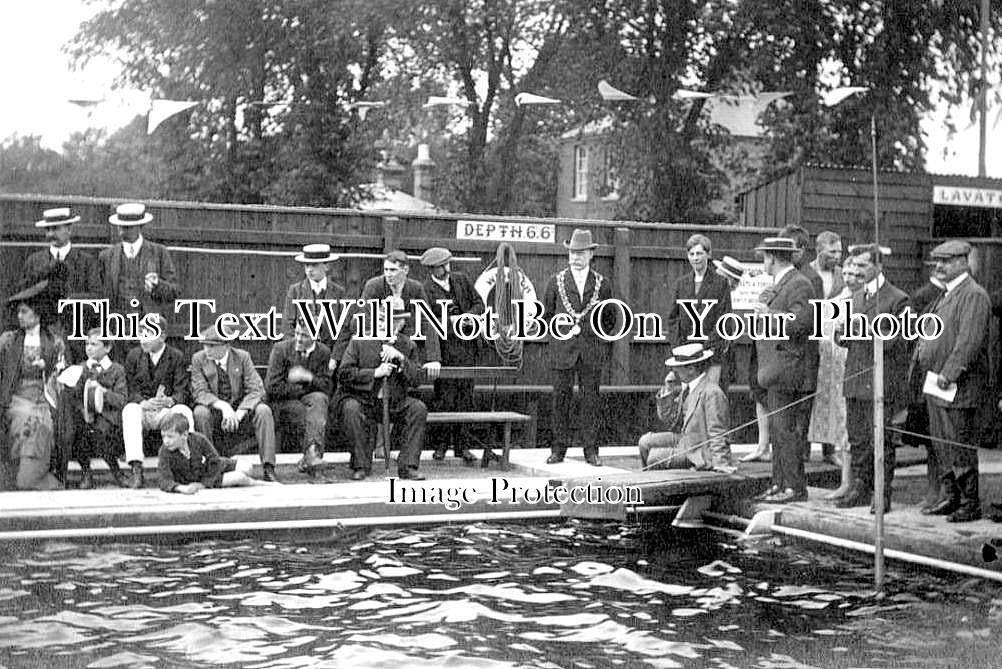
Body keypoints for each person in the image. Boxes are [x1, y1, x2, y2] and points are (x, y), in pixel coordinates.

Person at [914, 240, 991, 522]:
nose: (940, 266)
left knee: (959, 442)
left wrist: (950, 372)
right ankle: (951, 496)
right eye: (938, 261)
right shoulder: (946, 295)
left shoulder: (973, 295)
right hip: (937, 382)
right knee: (941, 442)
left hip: (957, 384)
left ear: (963, 262)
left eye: (946, 261)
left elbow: (969, 341)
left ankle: (970, 503)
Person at [832, 245, 908, 513]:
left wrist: (865, 330)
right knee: (858, 440)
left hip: (879, 383)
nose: (857, 272)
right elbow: (845, 341)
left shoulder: (898, 299)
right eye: (854, 266)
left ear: (878, 266)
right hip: (855, 379)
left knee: (881, 441)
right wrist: (842, 333)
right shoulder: (854, 298)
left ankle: (881, 495)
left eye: (863, 266)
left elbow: (899, 341)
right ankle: (861, 489)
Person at [542, 228, 616, 466]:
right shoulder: (555, 282)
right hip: (562, 351)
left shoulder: (602, 284)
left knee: (590, 402)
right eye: (572, 252)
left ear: (591, 255)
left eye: (581, 253)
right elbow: (547, 316)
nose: (575, 257)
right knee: (560, 400)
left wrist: (597, 342)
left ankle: (591, 451)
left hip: (591, 351)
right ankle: (558, 450)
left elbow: (610, 318)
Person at [334, 300, 427, 481]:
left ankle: (408, 466)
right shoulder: (360, 341)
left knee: (418, 408)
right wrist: (375, 373)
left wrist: (400, 358)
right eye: (382, 318)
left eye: (392, 320)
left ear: (400, 323)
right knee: (351, 409)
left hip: (393, 402)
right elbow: (344, 374)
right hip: (363, 399)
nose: (385, 324)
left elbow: (417, 379)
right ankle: (360, 465)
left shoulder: (408, 345)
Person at [752, 237, 815, 503]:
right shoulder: (780, 285)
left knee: (786, 430)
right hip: (774, 369)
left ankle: (794, 488)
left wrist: (768, 316)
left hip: (787, 369)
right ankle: (779, 484)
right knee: (779, 430)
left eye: (764, 257)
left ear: (773, 258)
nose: (763, 262)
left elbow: (802, 324)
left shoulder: (799, 284)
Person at [420, 246, 485, 465]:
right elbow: (428, 321)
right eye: (441, 266)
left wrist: (468, 317)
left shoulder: (462, 280)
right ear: (432, 269)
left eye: (447, 264)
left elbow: (479, 304)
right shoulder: (425, 289)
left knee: (466, 398)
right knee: (445, 399)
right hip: (445, 351)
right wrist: (453, 323)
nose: (446, 269)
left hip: (467, 349)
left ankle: (463, 446)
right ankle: (440, 446)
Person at [191, 325, 279, 482]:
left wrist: (239, 412)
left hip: (240, 412)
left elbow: (256, 389)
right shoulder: (199, 359)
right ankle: (212, 467)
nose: (207, 350)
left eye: (212, 346)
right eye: (205, 345)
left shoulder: (242, 357)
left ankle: (268, 467)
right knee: (200, 413)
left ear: (226, 345)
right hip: (215, 412)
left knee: (263, 411)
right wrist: (223, 407)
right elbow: (200, 392)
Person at [0, 282, 64, 490]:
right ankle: (20, 472)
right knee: (23, 417)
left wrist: (48, 368)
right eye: (18, 311)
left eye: (24, 311)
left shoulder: (54, 342)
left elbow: (64, 376)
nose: (19, 316)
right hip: (15, 396)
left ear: (37, 315)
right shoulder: (8, 341)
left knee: (41, 421)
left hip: (44, 396)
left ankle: (34, 472)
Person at [638, 343, 736, 473]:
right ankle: (648, 479)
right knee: (644, 442)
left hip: (699, 451)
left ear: (691, 369)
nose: (674, 371)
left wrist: (721, 465)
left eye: (677, 368)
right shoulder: (688, 388)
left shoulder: (712, 392)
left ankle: (657, 486)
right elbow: (668, 419)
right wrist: (668, 389)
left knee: (654, 458)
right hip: (684, 440)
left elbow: (718, 432)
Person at [121, 314, 193, 488]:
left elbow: (182, 391)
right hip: (144, 410)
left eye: (148, 334)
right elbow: (129, 389)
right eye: (140, 333)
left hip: (164, 412)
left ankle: (188, 464)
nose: (142, 339)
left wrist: (170, 400)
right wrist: (141, 402)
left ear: (162, 336)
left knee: (184, 411)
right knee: (130, 410)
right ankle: (136, 469)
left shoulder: (176, 356)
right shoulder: (134, 356)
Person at [21, 207, 100, 362]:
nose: (50, 234)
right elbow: (24, 297)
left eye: (56, 229)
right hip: (43, 336)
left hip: (77, 334)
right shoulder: (34, 262)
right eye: (48, 229)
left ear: (69, 230)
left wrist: (69, 301)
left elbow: (97, 297)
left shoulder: (86, 262)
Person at [97, 202, 180, 337]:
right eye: (120, 226)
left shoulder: (159, 253)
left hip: (149, 327)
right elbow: (100, 294)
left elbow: (174, 291)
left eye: (127, 227)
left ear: (140, 227)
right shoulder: (106, 256)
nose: (122, 231)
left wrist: (157, 285)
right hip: (116, 328)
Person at [265, 321, 333, 481]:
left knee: (319, 399)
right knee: (307, 411)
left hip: (308, 399)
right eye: (296, 333)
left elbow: (326, 387)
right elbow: (272, 387)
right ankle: (312, 460)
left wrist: (307, 376)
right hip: (283, 402)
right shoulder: (281, 349)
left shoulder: (323, 352)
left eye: (304, 335)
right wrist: (303, 389)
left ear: (315, 337)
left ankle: (312, 456)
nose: (299, 339)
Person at [664, 234, 733, 390]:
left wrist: (705, 347)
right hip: (686, 357)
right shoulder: (681, 284)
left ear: (708, 254)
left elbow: (725, 320)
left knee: (709, 399)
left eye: (700, 253)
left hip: (711, 355)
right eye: (692, 254)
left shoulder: (720, 283)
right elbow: (673, 319)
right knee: (687, 401)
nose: (696, 258)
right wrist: (679, 348)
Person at [360, 249, 441, 379]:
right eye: (386, 270)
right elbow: (365, 318)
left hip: (405, 344)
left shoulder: (416, 288)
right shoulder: (374, 286)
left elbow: (427, 321)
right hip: (377, 343)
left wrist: (434, 358)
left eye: (393, 270)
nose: (388, 274)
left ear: (405, 270)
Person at [63, 327, 128, 489]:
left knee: (100, 432)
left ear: (107, 348)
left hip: (108, 417)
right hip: (85, 415)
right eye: (87, 344)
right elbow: (73, 397)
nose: (89, 348)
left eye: (94, 344)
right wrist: (83, 410)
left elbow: (121, 400)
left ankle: (116, 471)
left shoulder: (117, 370)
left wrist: (103, 392)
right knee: (79, 431)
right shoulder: (81, 368)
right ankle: (86, 473)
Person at [780, 225, 822, 463]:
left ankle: (799, 460)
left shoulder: (809, 278)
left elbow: (807, 321)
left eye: (790, 249)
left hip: (803, 353)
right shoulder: (788, 275)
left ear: (802, 250)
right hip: (788, 355)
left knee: (799, 412)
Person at [807, 231, 845, 466]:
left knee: (832, 396)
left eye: (840, 251)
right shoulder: (807, 273)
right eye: (832, 252)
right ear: (819, 250)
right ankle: (803, 448)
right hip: (812, 340)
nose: (837, 256)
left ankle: (829, 449)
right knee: (809, 393)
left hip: (835, 345)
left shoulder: (842, 275)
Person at [157, 413, 266, 493]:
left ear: (184, 435)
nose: (166, 441)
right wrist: (181, 488)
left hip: (211, 472)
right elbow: (164, 479)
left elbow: (214, 461)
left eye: (170, 436)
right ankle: (261, 484)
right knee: (240, 477)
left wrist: (204, 484)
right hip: (202, 478)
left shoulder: (199, 439)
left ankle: (237, 482)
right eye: (163, 436)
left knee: (247, 467)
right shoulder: (165, 451)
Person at [282, 243, 350, 367]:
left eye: (314, 265)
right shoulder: (295, 291)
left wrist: (335, 357)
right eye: (307, 265)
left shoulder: (339, 293)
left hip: (329, 359)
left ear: (327, 266)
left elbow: (344, 329)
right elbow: (288, 326)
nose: (309, 270)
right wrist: (296, 355)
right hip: (302, 356)